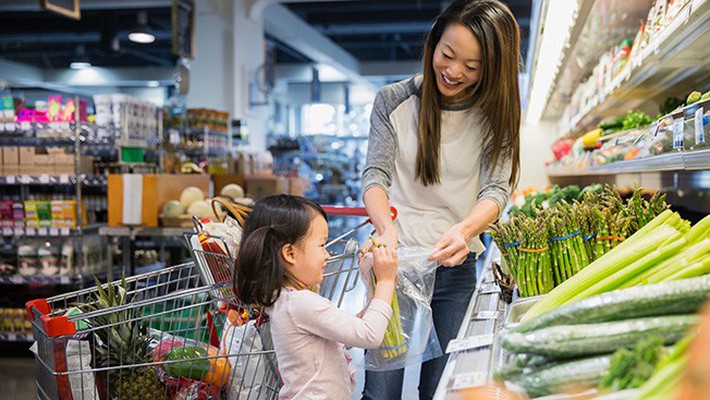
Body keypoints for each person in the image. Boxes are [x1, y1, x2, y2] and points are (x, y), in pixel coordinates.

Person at [361, 0, 521, 398]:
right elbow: (375, 175)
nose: (453, 72)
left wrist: (464, 231)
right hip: (393, 266)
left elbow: (496, 189)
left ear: (492, 68)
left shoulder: (495, 114)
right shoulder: (393, 101)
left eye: (472, 66)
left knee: (443, 388)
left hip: (455, 264)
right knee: (381, 390)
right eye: (447, 55)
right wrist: (386, 231)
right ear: (434, 42)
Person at [233, 194, 399, 399]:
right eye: (322, 245)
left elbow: (342, 334)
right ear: (290, 253)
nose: (327, 254)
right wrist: (386, 282)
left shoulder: (287, 299)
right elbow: (369, 335)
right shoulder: (301, 303)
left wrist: (375, 296)